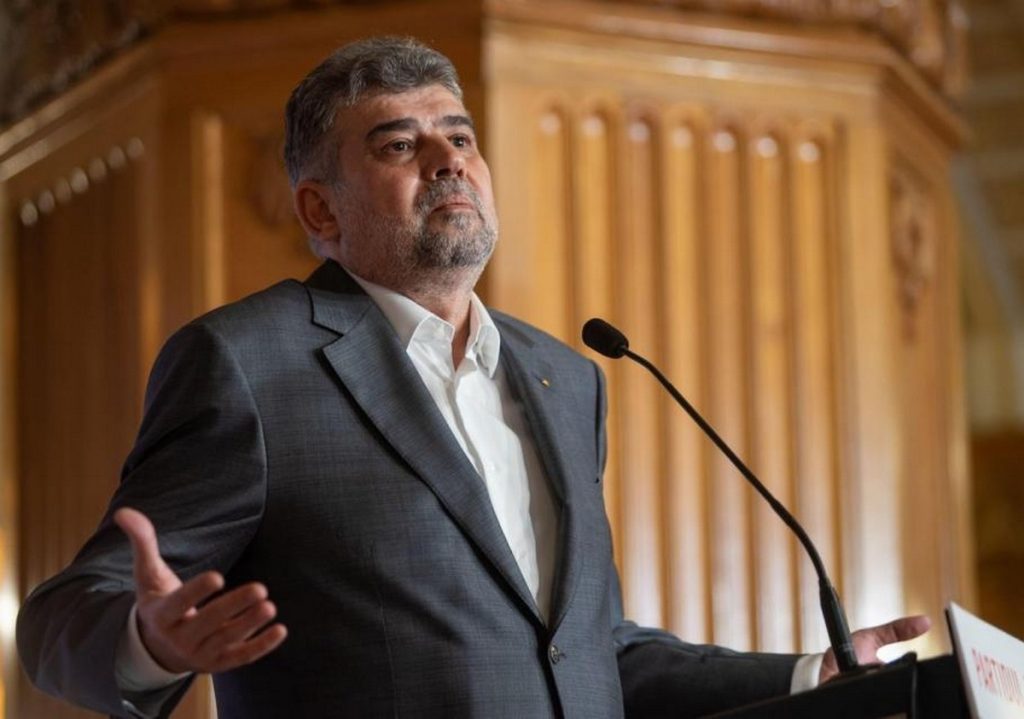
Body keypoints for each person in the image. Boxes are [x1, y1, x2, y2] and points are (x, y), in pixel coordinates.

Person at [16, 36, 928, 719]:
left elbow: (585, 653)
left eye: (460, 137)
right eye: (398, 145)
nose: (449, 159)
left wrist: (809, 675)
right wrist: (150, 640)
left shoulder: (565, 378)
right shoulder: (249, 363)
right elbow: (63, 618)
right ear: (320, 210)